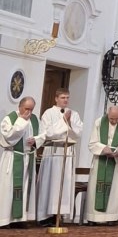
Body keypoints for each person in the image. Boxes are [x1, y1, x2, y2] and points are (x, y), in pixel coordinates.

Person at [37, 88, 83, 224]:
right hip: (53, 153)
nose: (66, 100)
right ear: (56, 98)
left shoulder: (74, 114)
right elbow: (48, 133)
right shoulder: (48, 113)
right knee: (50, 183)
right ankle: (46, 216)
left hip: (67, 153)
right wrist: (63, 121)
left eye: (67, 98)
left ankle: (60, 214)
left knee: (64, 184)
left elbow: (78, 132)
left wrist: (69, 122)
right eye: (63, 97)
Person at [0, 97, 44, 227]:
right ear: (20, 106)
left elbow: (43, 134)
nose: (29, 112)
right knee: (8, 189)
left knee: (25, 189)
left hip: (28, 158)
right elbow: (9, 137)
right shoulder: (10, 119)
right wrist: (22, 121)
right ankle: (4, 220)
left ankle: (20, 220)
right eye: (26, 109)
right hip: (13, 158)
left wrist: (35, 140)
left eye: (31, 109)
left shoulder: (35, 119)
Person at [84, 104, 118, 224]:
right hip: (100, 159)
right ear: (107, 114)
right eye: (111, 119)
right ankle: (93, 218)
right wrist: (103, 149)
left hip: (115, 163)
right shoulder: (99, 122)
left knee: (114, 189)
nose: (114, 121)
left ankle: (111, 218)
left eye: (116, 119)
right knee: (96, 188)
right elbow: (92, 143)